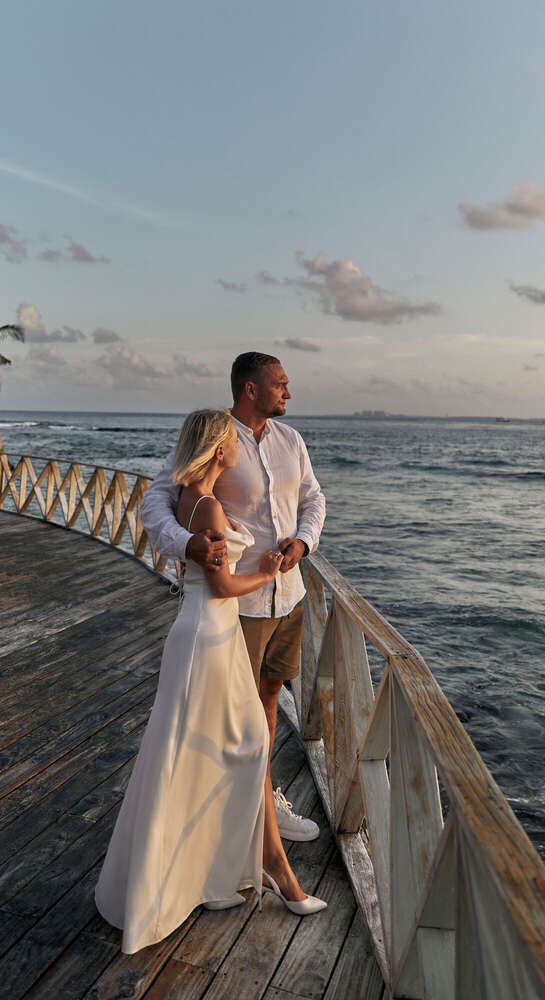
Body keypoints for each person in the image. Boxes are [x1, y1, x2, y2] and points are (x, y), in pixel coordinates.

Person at [95, 409, 325, 955]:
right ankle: (272, 867)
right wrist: (264, 568)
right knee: (240, 747)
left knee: (201, 752)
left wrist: (297, 546)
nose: (236, 451)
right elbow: (215, 578)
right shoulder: (202, 502)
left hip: (205, 631)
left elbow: (313, 497)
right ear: (218, 447)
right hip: (212, 632)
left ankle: (211, 874)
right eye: (229, 445)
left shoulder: (218, 482)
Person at [140, 353, 327, 874]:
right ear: (251, 389)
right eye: (281, 385)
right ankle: (226, 818)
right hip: (236, 604)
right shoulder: (214, 436)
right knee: (229, 717)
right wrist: (187, 545)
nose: (289, 393)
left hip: (288, 595)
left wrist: (303, 543)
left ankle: (263, 800)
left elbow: (314, 499)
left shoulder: (292, 442)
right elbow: (158, 499)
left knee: (268, 701)